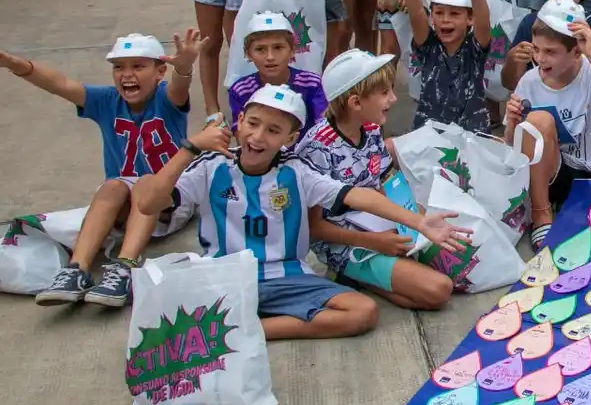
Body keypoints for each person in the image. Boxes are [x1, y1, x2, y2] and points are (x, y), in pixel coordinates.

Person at [132, 84, 469, 340]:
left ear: (291, 138)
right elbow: (148, 203)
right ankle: (239, 323)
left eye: (274, 131)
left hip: (288, 278)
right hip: (225, 277)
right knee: (164, 307)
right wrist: (189, 148)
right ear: (238, 122)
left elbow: (357, 196)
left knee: (363, 312)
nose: (258, 136)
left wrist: (418, 221)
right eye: (253, 123)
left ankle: (246, 330)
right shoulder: (210, 166)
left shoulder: (297, 171)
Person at [8, 33, 197, 308]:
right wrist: (17, 64)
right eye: (119, 67)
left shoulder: (167, 98)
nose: (127, 74)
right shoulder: (106, 100)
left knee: (146, 182)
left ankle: (125, 267)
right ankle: (76, 270)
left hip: (169, 199)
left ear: (159, 72)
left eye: (137, 66)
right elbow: (60, 84)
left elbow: (180, 87)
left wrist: (185, 66)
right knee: (111, 186)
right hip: (125, 200)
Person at [297, 50, 455, 310]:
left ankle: (372, 278)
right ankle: (349, 273)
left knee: (452, 258)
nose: (393, 99)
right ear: (356, 103)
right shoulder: (317, 148)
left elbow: (383, 182)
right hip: (344, 244)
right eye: (384, 93)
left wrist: (408, 221)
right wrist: (375, 242)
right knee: (439, 290)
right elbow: (313, 229)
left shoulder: (370, 128)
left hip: (376, 224)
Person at [507, 0, 591, 245]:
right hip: (552, 176)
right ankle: (542, 215)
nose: (540, 59)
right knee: (538, 120)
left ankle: (565, 207)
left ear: (576, 52)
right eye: (536, 49)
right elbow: (512, 149)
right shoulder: (530, 81)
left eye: (550, 52)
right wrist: (511, 124)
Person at [396, 0, 492, 134]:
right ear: (432, 17)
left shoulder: (474, 48)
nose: (445, 19)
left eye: (454, 13)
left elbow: (484, 24)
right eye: (439, 13)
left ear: (470, 19)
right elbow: (417, 13)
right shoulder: (428, 45)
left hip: (471, 131)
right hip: (429, 130)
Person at [228, 11, 328, 134]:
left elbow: (324, 129)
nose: (270, 57)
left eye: (278, 48)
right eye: (260, 49)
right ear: (248, 54)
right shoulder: (241, 90)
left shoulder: (312, 84)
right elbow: (241, 135)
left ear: (292, 50)